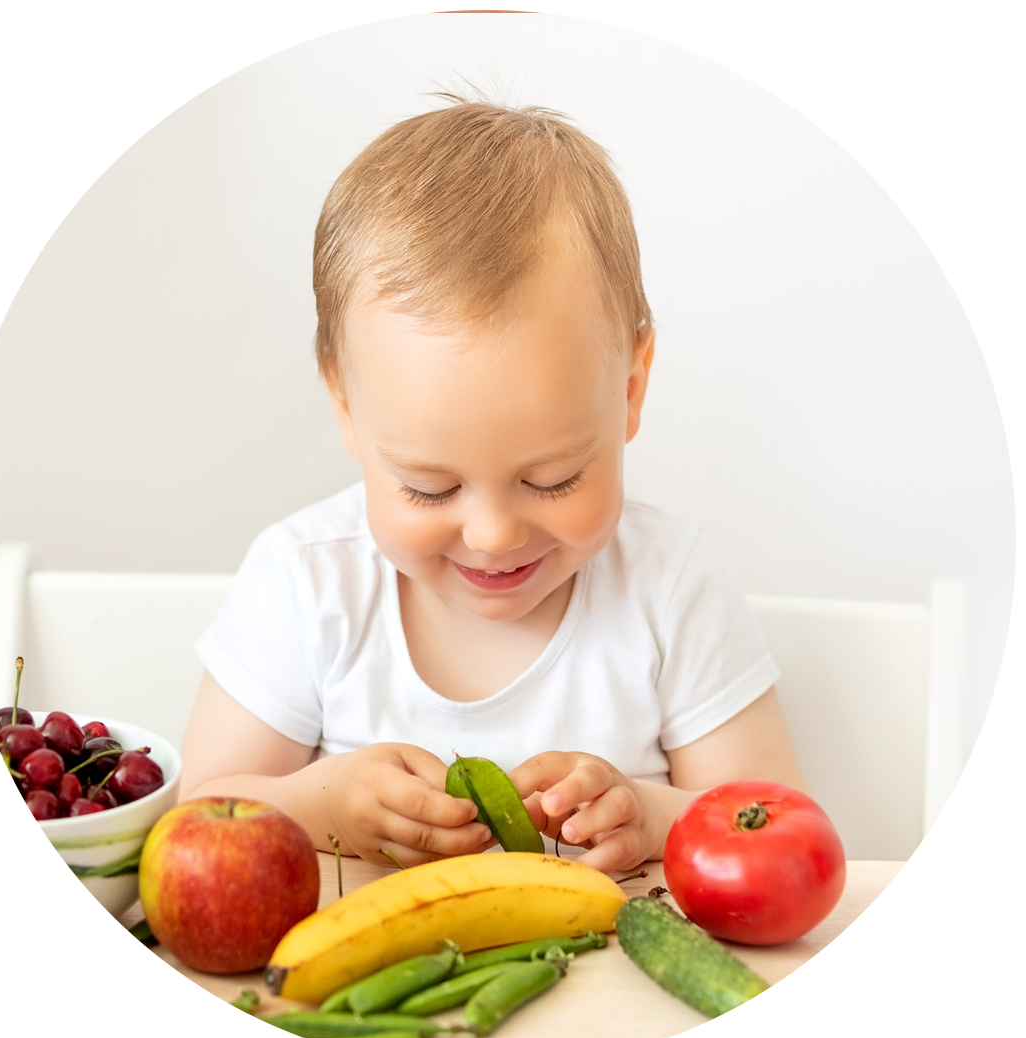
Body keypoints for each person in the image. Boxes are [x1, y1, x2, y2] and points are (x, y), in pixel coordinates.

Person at [178, 98, 807, 873]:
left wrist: (653, 816)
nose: (493, 534)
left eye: (553, 479)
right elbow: (197, 818)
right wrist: (326, 804)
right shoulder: (306, 582)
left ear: (631, 388)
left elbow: (775, 833)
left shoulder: (670, 588)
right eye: (429, 489)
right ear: (345, 407)